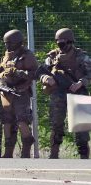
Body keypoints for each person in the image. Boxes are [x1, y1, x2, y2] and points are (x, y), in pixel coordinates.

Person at [37, 28, 91, 159]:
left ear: (70, 42)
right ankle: (54, 155)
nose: (60, 45)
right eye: (58, 42)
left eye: (63, 42)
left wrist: (80, 82)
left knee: (82, 128)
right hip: (58, 94)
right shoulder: (52, 57)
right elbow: (40, 71)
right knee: (56, 125)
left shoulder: (81, 57)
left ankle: (84, 158)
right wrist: (45, 78)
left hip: (79, 93)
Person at [0, 29, 37, 158]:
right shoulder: (7, 55)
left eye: (10, 43)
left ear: (18, 43)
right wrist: (1, 74)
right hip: (6, 93)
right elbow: (1, 72)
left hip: (21, 93)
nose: (7, 46)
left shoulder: (27, 55)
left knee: (22, 121)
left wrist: (18, 72)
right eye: (6, 43)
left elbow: (34, 73)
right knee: (7, 122)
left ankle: (25, 153)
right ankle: (8, 153)